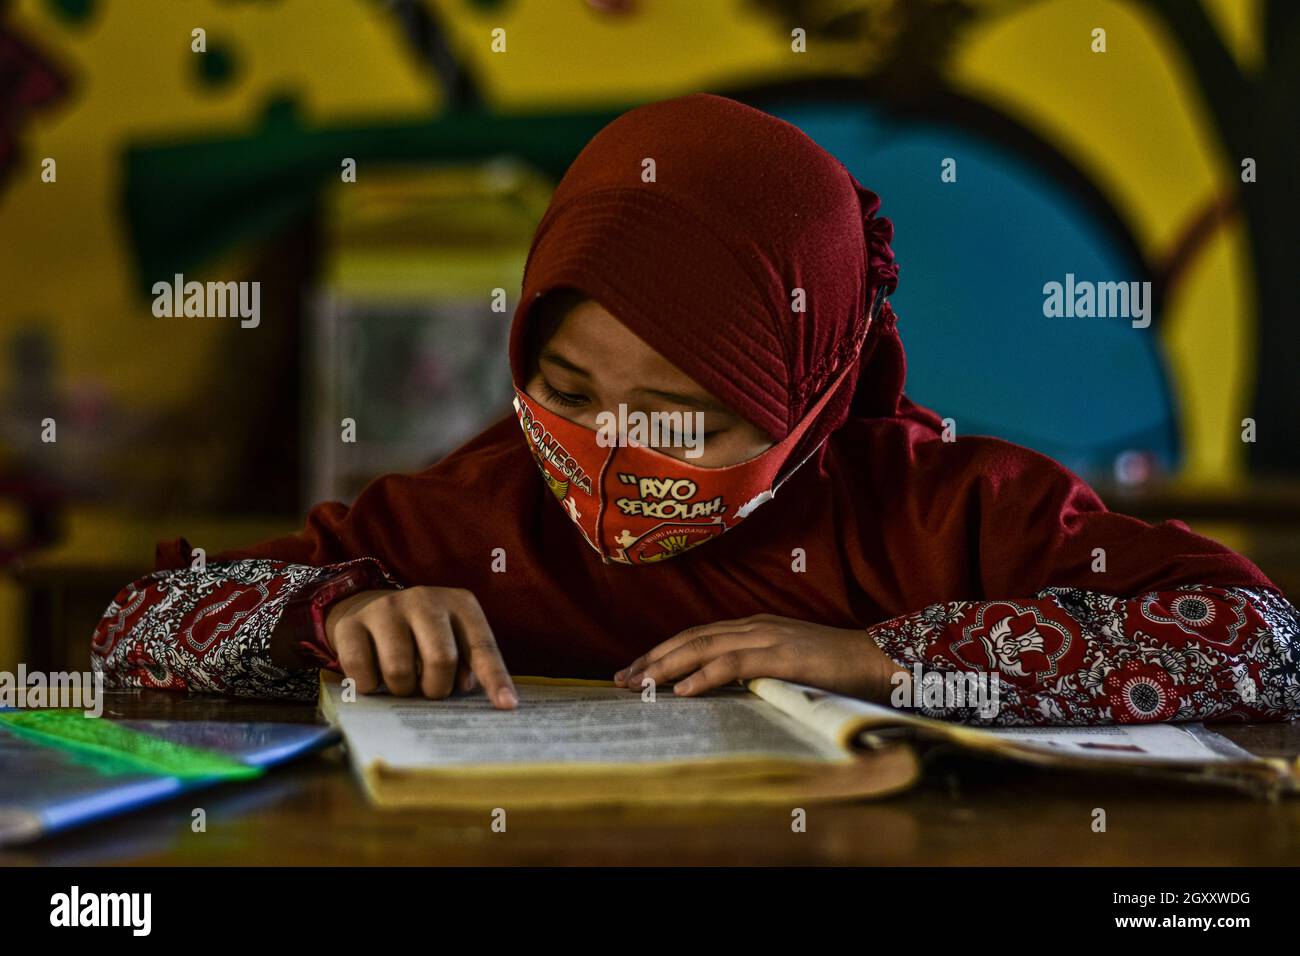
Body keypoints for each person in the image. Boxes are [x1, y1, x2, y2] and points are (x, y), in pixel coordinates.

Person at [91, 93, 1300, 726]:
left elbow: (1260, 640)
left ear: (814, 389)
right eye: (564, 392)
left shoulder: (949, 515)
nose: (611, 454)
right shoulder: (471, 514)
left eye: (683, 417)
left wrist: (885, 659)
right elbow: (133, 628)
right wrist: (337, 610)